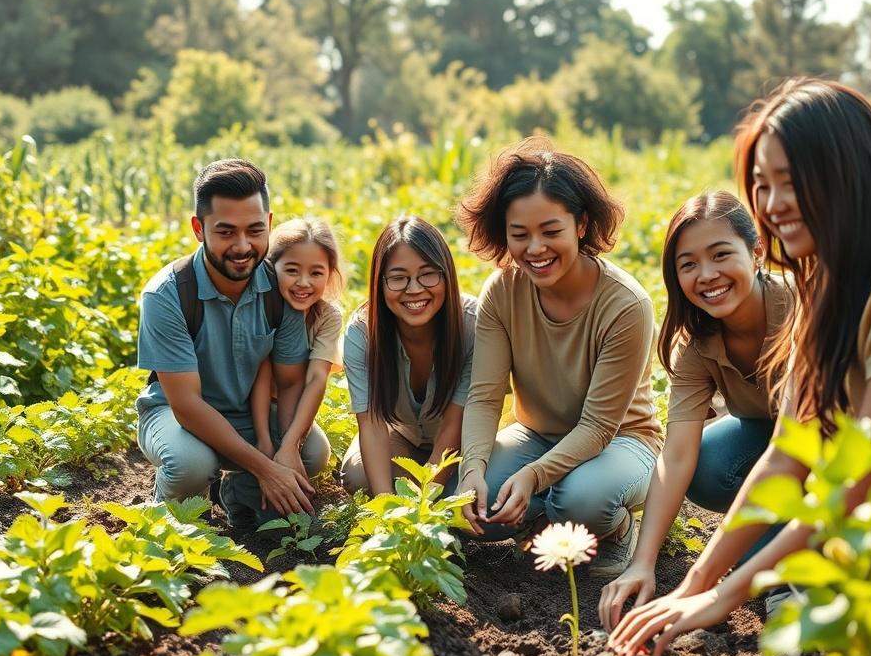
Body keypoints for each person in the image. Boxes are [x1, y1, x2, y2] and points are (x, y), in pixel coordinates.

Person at [608, 77, 871, 656]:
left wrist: (727, 596)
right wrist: (696, 585)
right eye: (762, 186)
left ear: (851, 171)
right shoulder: (823, 280)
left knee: (853, 525)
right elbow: (786, 454)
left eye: (791, 183)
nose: (771, 205)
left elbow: (863, 476)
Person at [456, 137, 663, 577]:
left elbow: (598, 426)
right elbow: (485, 396)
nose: (535, 249)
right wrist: (471, 469)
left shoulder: (626, 305)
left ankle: (616, 527)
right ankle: (543, 517)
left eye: (551, 232)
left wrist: (533, 478)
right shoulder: (502, 291)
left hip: (621, 441)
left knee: (581, 502)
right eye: (520, 235)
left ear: (582, 225)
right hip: (537, 435)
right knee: (471, 506)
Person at [597, 190, 793, 631]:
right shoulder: (698, 341)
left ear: (757, 252)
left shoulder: (797, 312)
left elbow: (798, 450)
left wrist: (701, 580)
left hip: (832, 440)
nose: (707, 275)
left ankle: (784, 577)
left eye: (721, 255)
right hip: (768, 436)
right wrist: (642, 563)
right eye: (688, 264)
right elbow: (677, 456)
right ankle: (770, 555)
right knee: (706, 466)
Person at [136, 159, 328, 528]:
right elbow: (187, 406)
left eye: (255, 230)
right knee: (191, 465)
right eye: (226, 232)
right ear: (198, 228)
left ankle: (240, 495)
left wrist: (284, 451)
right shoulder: (167, 295)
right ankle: (163, 512)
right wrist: (266, 468)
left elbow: (289, 382)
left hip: (247, 415)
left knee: (314, 452)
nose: (243, 246)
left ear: (269, 224)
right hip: (175, 416)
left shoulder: (282, 288)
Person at [339, 216, 477, 495]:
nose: (414, 289)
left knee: (458, 492)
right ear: (380, 283)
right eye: (398, 278)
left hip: (460, 443)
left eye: (428, 274)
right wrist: (386, 509)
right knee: (359, 476)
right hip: (400, 438)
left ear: (446, 275)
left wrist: (422, 506)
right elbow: (373, 425)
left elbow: (455, 423)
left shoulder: (473, 325)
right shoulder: (363, 333)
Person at [221, 217, 344, 521]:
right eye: (291, 271)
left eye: (316, 273)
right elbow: (261, 378)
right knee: (266, 450)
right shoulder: (264, 307)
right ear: (270, 268)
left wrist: (291, 443)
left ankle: (247, 488)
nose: (303, 283)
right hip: (244, 403)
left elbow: (316, 379)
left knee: (313, 453)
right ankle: (235, 492)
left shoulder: (327, 317)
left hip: (287, 405)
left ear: (329, 275)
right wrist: (265, 440)